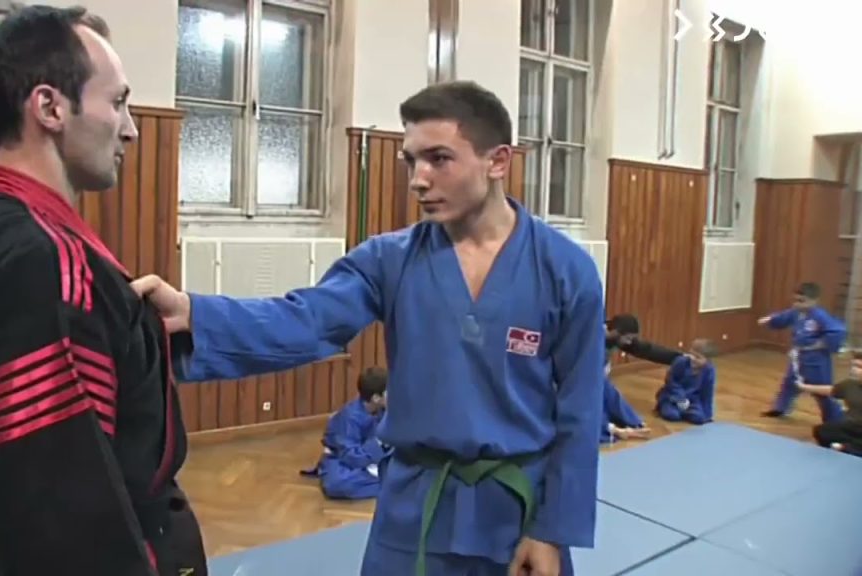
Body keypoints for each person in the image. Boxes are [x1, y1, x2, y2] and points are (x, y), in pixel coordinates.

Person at [133, 81, 605, 576]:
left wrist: (552, 531)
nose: (418, 179)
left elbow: (580, 409)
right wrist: (195, 314)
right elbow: (306, 320)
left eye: (439, 159)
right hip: (413, 511)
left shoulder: (564, 270)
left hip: (518, 512)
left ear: (498, 161)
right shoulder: (388, 260)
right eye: (411, 161)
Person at [0, 6, 205, 575]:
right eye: (118, 102)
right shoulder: (35, 259)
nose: (130, 128)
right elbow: (60, 512)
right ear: (50, 108)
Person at [758, 282, 846, 423]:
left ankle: (835, 418)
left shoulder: (820, 316)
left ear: (814, 300)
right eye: (795, 300)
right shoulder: (795, 312)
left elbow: (837, 331)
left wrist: (822, 343)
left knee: (821, 389)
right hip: (799, 357)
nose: (797, 304)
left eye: (802, 301)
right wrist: (769, 319)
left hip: (816, 359)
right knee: (789, 383)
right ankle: (780, 408)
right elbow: (782, 318)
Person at [301, 367, 391, 500]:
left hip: (375, 459)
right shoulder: (349, 418)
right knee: (337, 484)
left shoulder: (384, 408)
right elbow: (351, 457)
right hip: (345, 460)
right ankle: (394, 486)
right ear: (376, 398)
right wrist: (378, 444)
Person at [600, 314, 679, 442]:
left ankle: (635, 423)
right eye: (628, 339)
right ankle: (613, 429)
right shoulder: (594, 338)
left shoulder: (617, 337)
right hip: (585, 378)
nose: (629, 343)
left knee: (611, 395)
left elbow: (648, 350)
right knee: (599, 400)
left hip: (600, 378)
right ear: (615, 332)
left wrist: (679, 357)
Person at [802, 351, 862, 456]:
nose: (854, 369)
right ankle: (846, 448)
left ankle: (849, 448)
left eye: (859, 367)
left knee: (854, 446)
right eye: (853, 365)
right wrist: (804, 387)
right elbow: (831, 390)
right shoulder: (849, 384)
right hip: (853, 427)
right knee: (822, 431)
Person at [654, 339, 718, 425]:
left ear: (707, 360)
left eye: (698, 357)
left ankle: (684, 412)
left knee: (699, 418)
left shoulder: (709, 371)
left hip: (692, 399)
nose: (693, 359)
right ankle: (668, 407)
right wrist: (680, 398)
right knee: (672, 415)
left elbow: (707, 392)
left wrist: (707, 415)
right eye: (691, 354)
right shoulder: (680, 362)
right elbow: (671, 381)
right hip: (672, 396)